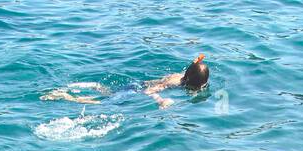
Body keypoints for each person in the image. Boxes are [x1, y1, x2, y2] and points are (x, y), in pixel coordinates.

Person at [40, 55, 211, 109]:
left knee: (108, 93)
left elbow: (192, 68)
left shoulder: (180, 76)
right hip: (136, 91)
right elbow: (149, 92)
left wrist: (196, 61)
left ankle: (93, 85)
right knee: (101, 103)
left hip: (137, 84)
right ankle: (65, 97)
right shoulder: (176, 84)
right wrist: (161, 101)